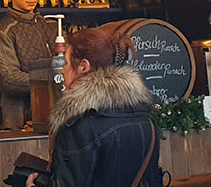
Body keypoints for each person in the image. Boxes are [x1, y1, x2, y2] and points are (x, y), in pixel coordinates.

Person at [26, 26, 159, 187]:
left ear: (84, 66)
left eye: (66, 63)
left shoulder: (78, 125)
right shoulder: (144, 118)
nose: (62, 70)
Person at [0, 0, 57, 129]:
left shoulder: (53, 25)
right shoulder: (1, 31)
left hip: (56, 119)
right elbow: (10, 80)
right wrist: (58, 79)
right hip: (20, 124)